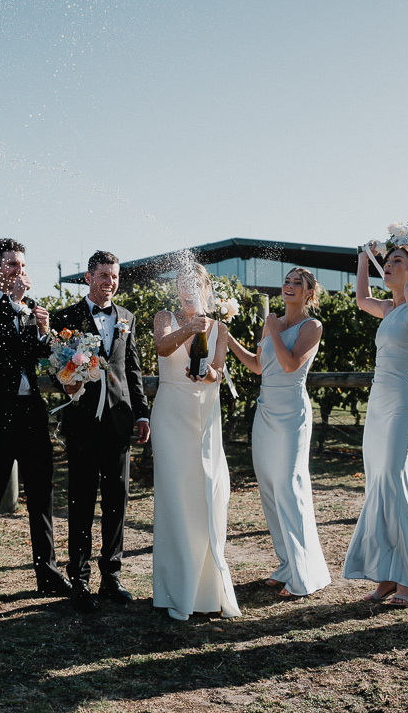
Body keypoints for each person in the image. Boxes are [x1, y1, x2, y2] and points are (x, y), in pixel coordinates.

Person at [0, 238, 70, 625]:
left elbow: (33, 354)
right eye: (11, 264)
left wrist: (43, 330)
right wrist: (16, 304)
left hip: (31, 413)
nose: (18, 271)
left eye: (22, 265)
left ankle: (48, 574)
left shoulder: (28, 306)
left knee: (42, 493)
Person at [51, 251, 150, 612]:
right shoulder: (66, 318)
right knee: (80, 501)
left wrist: (142, 414)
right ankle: (79, 580)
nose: (110, 282)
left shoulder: (126, 317)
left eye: (115, 276)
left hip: (119, 422)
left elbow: (132, 369)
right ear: (89, 278)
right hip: (83, 423)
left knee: (116, 501)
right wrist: (69, 382)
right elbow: (57, 369)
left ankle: (112, 576)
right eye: (104, 275)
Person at [228, 267, 331, 597]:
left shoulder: (311, 326)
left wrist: (272, 329)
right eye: (286, 281)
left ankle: (304, 575)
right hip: (265, 412)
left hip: (291, 415)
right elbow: (259, 366)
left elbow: (290, 365)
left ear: (308, 292)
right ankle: (287, 563)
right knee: (270, 488)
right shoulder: (271, 323)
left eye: (297, 283)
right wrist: (228, 339)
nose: (289, 286)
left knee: (289, 486)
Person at [342, 244, 408, 607]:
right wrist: (363, 259)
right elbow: (361, 298)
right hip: (378, 401)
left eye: (398, 261)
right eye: (389, 259)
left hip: (403, 401)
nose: (390, 264)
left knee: (396, 478)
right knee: (378, 482)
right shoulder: (385, 308)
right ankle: (387, 576)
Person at [150, 263, 240, 620]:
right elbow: (161, 348)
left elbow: (218, 370)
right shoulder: (166, 318)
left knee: (207, 497)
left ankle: (206, 591)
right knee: (175, 498)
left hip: (204, 417)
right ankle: (176, 592)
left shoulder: (220, 328)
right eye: (181, 284)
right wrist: (189, 327)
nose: (187, 290)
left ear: (205, 289)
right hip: (170, 417)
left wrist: (208, 374)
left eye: (193, 284)